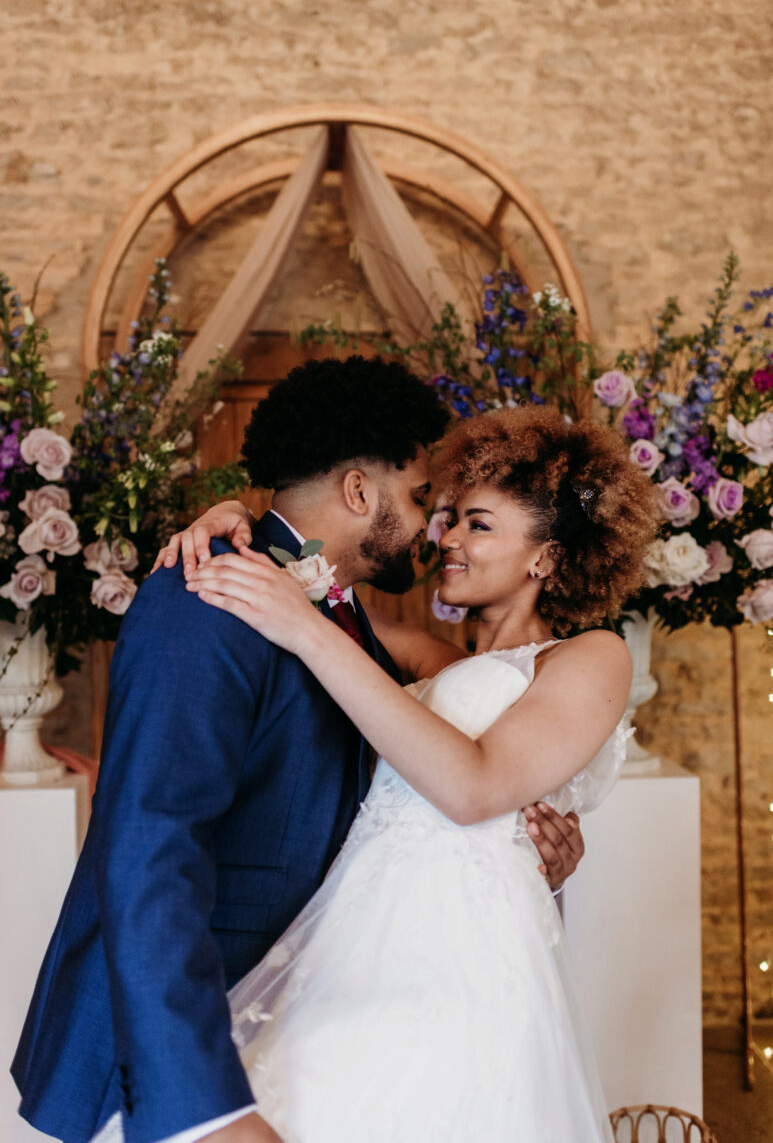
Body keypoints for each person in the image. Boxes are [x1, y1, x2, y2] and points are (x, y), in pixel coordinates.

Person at [10, 357, 581, 1143]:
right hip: (176, 1058)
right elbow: (149, 853)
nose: (432, 528)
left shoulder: (336, 618)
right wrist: (205, 1109)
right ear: (359, 493)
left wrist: (518, 844)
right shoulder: (206, 594)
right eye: (421, 498)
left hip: (294, 1025)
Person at [181, 403, 660, 1142]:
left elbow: (473, 788)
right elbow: (312, 586)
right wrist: (234, 522)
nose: (448, 539)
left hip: (461, 957)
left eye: (478, 524)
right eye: (450, 519)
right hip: (351, 938)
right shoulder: (438, 662)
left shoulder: (593, 657)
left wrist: (304, 630)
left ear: (546, 558)